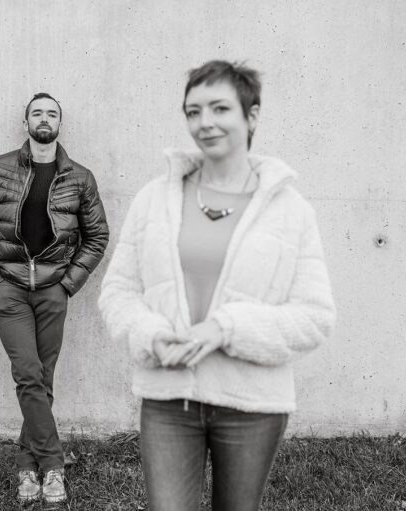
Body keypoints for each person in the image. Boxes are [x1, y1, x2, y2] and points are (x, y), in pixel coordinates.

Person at [98, 61, 336, 510]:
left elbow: (315, 316)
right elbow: (118, 292)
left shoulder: (291, 210)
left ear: (252, 115)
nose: (204, 122)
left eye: (219, 108)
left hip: (252, 405)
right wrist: (149, 334)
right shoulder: (154, 198)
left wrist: (224, 328)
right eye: (193, 111)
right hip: (168, 399)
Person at [0, 92, 109, 504]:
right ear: (25, 122)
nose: (44, 119)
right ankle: (54, 467)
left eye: (52, 113)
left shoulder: (80, 177)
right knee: (28, 374)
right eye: (37, 113)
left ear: (60, 123)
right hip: (9, 288)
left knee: (42, 381)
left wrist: (68, 283)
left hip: (52, 292)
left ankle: (27, 468)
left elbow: (97, 236)